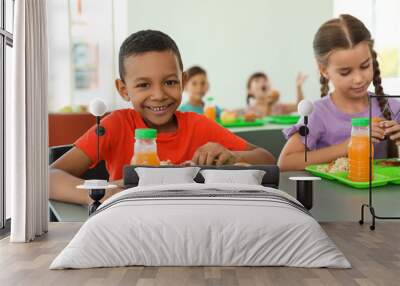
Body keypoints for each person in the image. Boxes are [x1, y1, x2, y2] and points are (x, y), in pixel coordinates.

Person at [50, 30, 275, 204]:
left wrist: (232, 156)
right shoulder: (115, 125)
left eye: (170, 82)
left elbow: (266, 159)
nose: (158, 95)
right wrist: (104, 193)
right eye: (143, 85)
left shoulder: (199, 126)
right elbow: (49, 178)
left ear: (183, 81)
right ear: (123, 89)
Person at [278, 14, 400, 171]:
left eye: (364, 66)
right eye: (345, 72)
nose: (358, 79)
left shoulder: (392, 107)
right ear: (324, 70)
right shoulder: (318, 114)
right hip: (328, 196)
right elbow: (285, 163)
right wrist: (349, 145)